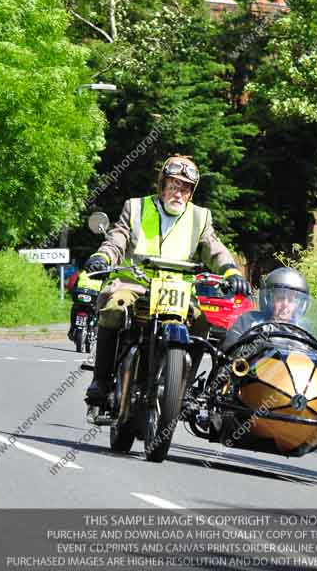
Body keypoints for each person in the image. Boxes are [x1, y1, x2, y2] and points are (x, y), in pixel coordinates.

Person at [83, 154, 251, 406]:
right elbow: (117, 239)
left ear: (191, 193)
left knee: (202, 322)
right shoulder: (136, 207)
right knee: (114, 309)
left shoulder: (200, 217)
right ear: (162, 185)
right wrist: (102, 257)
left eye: (185, 189)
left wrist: (232, 272)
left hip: (178, 290)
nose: (178, 193)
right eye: (174, 185)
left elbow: (214, 248)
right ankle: (101, 380)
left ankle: (180, 389)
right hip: (135, 283)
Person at [222, 266, 309, 351]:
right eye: (280, 298)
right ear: (268, 299)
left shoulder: (303, 334)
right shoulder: (249, 322)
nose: (285, 304)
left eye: (291, 300)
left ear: (299, 305)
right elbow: (230, 352)